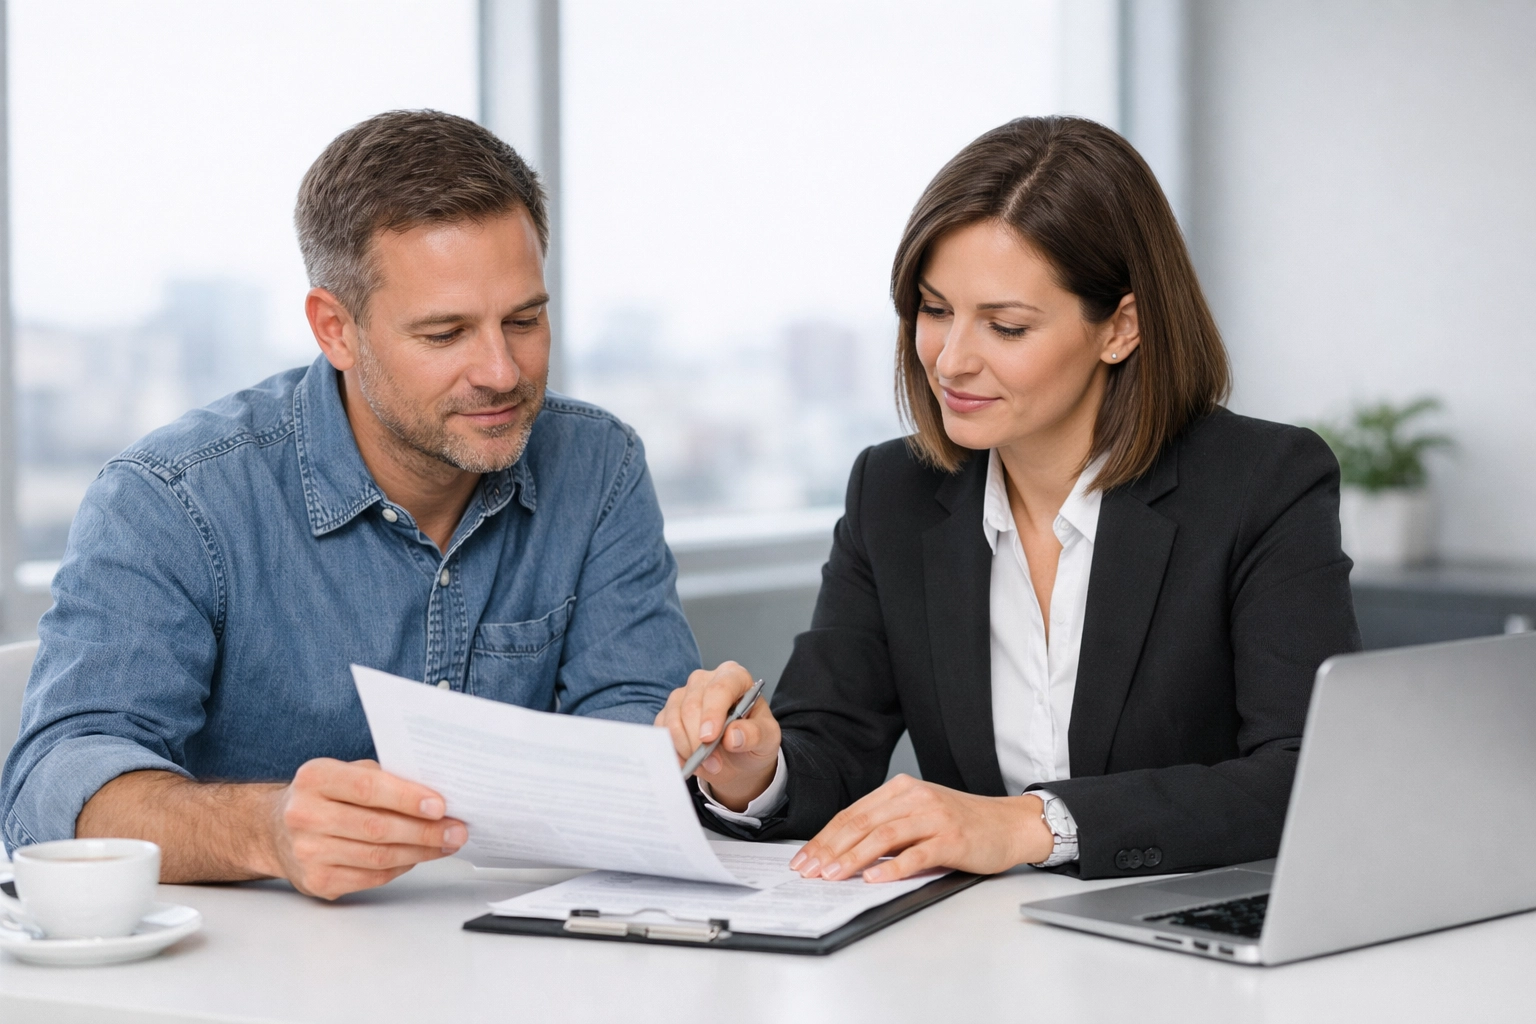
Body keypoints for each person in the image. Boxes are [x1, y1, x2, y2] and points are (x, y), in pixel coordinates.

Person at [0, 110, 699, 899]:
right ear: (336, 329)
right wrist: (266, 829)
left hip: (521, 959)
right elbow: (53, 783)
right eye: (446, 334)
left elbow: (638, 718)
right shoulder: (170, 499)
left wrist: (700, 754)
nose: (502, 372)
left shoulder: (599, 465)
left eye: (525, 320)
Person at [657, 116, 1360, 882]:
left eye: (1007, 326)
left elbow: (1305, 775)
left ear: (1121, 328)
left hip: (1194, 947)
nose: (951, 360)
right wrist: (754, 769)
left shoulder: (1264, 483)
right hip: (981, 958)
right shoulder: (891, 492)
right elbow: (833, 742)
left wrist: (1031, 824)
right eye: (934, 311)